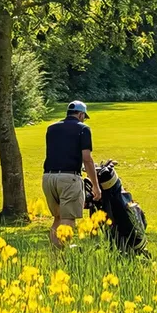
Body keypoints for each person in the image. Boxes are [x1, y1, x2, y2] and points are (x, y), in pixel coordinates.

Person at [43, 100, 100, 248]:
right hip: (69, 178)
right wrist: (95, 186)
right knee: (68, 219)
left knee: (57, 218)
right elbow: (87, 159)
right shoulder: (83, 129)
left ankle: (55, 257)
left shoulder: (51, 129)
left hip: (48, 177)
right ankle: (64, 257)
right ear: (81, 115)